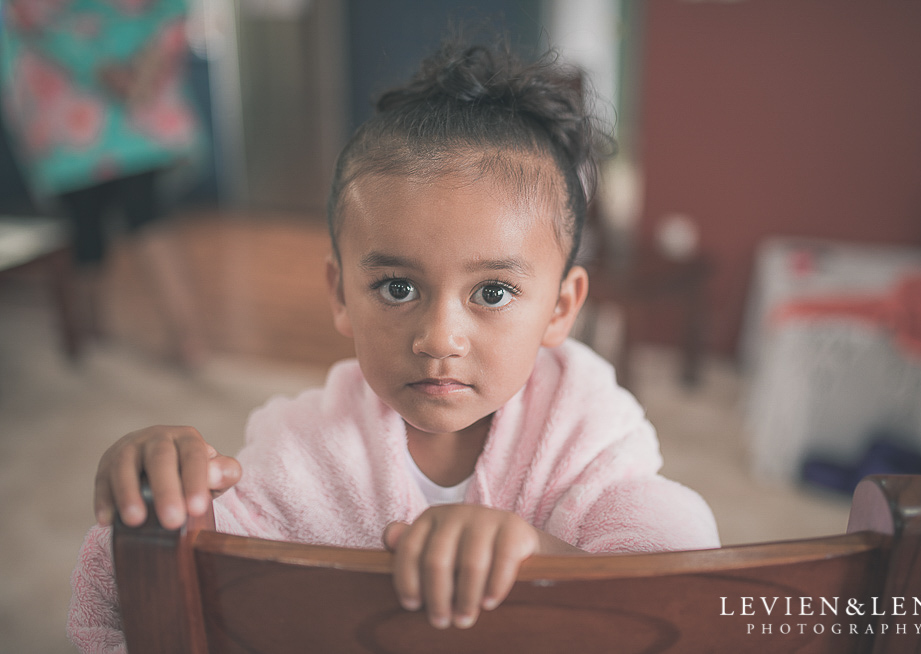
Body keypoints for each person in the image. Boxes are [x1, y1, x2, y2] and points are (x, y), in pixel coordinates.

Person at [67, 40, 720, 651]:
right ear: (341, 293)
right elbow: (185, 595)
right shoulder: (307, 448)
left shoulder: (586, 437)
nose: (438, 339)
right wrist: (157, 504)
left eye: (492, 293)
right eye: (397, 287)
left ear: (560, 308)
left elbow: (682, 592)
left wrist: (540, 558)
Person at [0, 0, 207, 365]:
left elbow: (35, 19)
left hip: (77, 115)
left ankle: (104, 334)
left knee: (92, 227)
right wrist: (144, 68)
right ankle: (179, 336)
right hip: (129, 108)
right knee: (137, 219)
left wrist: (118, 71)